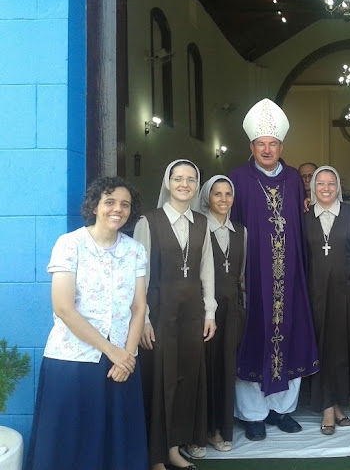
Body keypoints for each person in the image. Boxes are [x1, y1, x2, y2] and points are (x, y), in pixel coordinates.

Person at [26, 177, 148, 470]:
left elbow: (139, 307)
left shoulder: (135, 250)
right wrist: (113, 351)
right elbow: (64, 308)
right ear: (94, 206)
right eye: (110, 202)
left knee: (115, 443)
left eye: (125, 204)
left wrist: (127, 356)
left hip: (120, 365)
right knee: (69, 442)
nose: (117, 209)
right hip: (72, 360)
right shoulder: (70, 244)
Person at [228, 98, 319, 441]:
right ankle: (253, 415)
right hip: (253, 274)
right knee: (253, 338)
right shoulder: (237, 178)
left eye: (273, 144)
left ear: (282, 146)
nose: (267, 150)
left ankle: (283, 410)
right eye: (260, 144)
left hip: (289, 273)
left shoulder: (294, 178)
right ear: (251, 146)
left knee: (290, 334)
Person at [133, 159, 216, 470]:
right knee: (161, 381)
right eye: (178, 178)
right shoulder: (149, 221)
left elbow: (207, 269)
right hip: (160, 312)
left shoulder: (202, 222)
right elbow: (139, 274)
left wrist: (210, 312)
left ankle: (173, 449)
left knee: (185, 378)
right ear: (168, 183)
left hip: (192, 313)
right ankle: (154, 455)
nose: (184, 184)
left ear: (196, 185)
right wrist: (143, 318)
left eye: (191, 179)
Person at [305, 165, 350, 435]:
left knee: (342, 348)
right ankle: (328, 409)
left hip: (347, 293)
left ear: (338, 187)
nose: (326, 188)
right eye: (320, 183)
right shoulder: (304, 217)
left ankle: (337, 404)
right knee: (322, 347)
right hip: (316, 293)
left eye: (331, 183)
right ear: (313, 187)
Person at [197, 175, 247, 453]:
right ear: (207, 197)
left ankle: (222, 428)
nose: (223, 199)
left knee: (226, 369)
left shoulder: (242, 231)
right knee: (205, 370)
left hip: (231, 312)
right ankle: (202, 430)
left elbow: (241, 274)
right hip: (204, 312)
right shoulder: (199, 227)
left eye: (228, 194)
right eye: (217, 194)